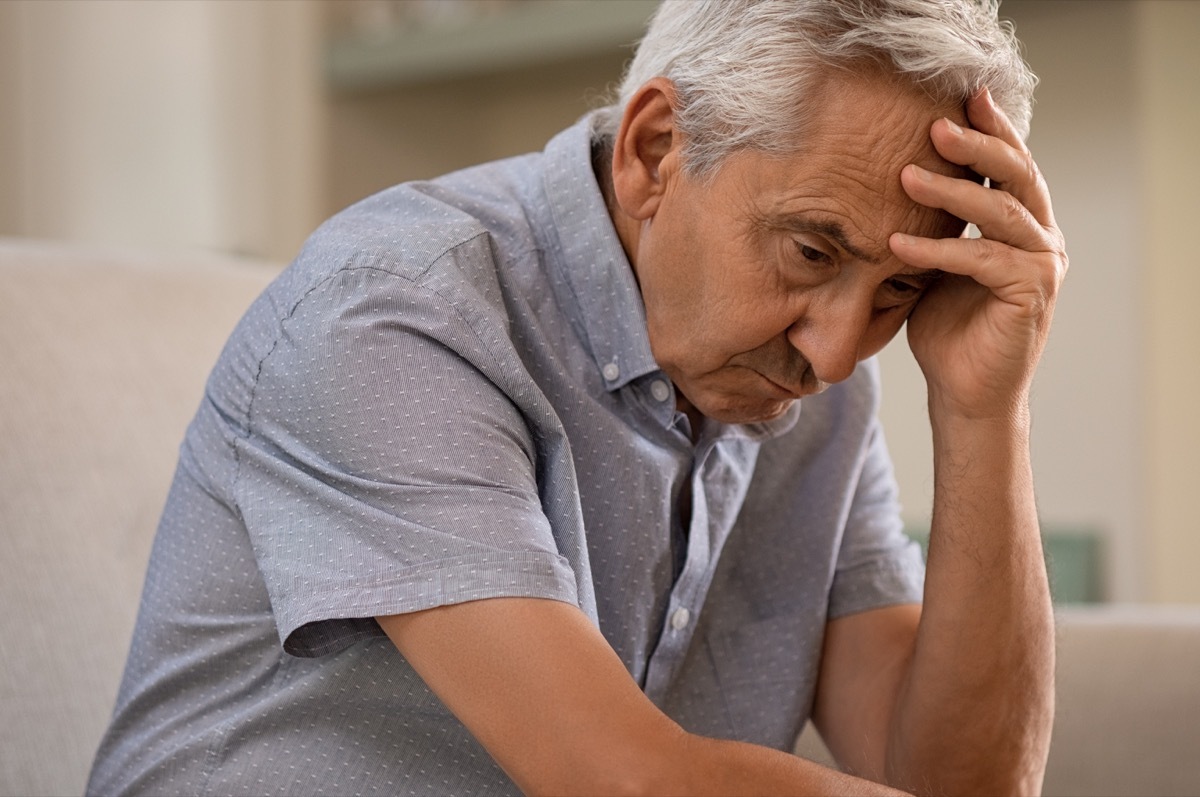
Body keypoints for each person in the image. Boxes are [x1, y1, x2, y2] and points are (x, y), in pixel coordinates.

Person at [88, 0, 1066, 794]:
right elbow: (620, 780)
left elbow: (954, 779)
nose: (840, 350)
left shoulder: (813, 384)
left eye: (897, 290)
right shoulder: (396, 312)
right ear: (654, 149)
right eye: (811, 251)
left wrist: (987, 410)